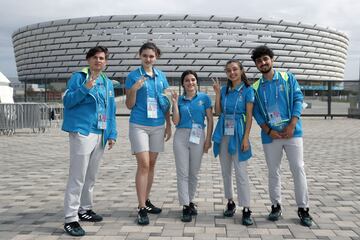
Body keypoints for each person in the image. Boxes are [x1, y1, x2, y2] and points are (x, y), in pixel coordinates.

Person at [251, 45, 313, 227]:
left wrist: (293, 124)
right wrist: (269, 130)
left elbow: (298, 99)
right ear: (256, 65)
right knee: (273, 171)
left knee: (298, 169)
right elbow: (256, 113)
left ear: (272, 59)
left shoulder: (288, 78)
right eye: (259, 61)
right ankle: (276, 205)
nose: (263, 63)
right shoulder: (255, 87)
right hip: (271, 136)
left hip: (292, 133)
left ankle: (303, 208)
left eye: (265, 59)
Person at [62, 46, 117, 236]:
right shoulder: (79, 77)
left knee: (91, 175)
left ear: (105, 62)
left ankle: (84, 209)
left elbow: (110, 110)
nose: (98, 61)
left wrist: (112, 133)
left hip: (100, 132)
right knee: (77, 175)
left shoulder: (107, 82)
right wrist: (85, 88)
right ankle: (71, 218)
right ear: (88, 60)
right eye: (95, 57)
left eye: (102, 58)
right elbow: (68, 101)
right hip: (83, 131)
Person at [125, 42, 171, 225]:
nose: (148, 59)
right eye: (145, 55)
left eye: (151, 56)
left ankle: (147, 199)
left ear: (156, 57)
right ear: (140, 56)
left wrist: (168, 124)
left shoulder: (162, 77)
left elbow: (164, 103)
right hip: (139, 125)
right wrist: (134, 89)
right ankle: (141, 207)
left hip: (158, 124)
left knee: (152, 164)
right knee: (143, 164)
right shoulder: (133, 76)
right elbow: (129, 105)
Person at [212, 60, 254, 226]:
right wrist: (217, 94)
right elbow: (218, 111)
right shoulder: (224, 90)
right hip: (223, 132)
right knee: (225, 171)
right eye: (228, 70)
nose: (232, 73)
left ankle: (246, 208)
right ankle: (230, 201)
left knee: (241, 172)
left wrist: (245, 138)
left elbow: (249, 116)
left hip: (238, 133)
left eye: (235, 69)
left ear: (241, 71)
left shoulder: (248, 91)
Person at [171, 70, 213, 222]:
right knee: (183, 172)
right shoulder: (180, 100)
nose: (190, 83)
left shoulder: (204, 98)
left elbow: (209, 119)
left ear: (197, 82)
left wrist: (208, 139)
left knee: (194, 172)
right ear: (183, 83)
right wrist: (175, 104)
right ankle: (185, 205)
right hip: (181, 136)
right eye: (187, 80)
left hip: (198, 135)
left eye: (193, 80)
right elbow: (175, 121)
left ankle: (190, 200)